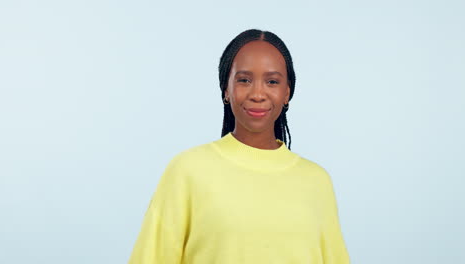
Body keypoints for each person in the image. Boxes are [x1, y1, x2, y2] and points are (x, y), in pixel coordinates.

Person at [128, 29, 350, 264]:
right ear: (226, 88)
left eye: (272, 81)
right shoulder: (187, 171)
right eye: (244, 80)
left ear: (287, 92)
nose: (257, 94)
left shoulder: (317, 181)